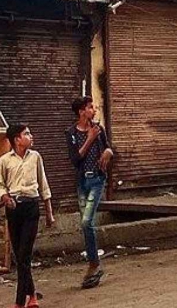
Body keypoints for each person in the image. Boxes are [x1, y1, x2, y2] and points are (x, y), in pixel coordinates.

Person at [0, 123, 54, 308]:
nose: (31, 136)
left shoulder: (35, 157)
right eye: (26, 134)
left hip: (31, 207)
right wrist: (5, 197)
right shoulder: (4, 161)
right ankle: (33, 296)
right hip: (14, 208)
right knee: (20, 257)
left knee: (24, 255)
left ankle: (20, 302)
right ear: (16, 140)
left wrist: (49, 213)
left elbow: (43, 185)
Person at [66, 97, 114, 289]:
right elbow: (75, 159)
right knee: (86, 225)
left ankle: (93, 263)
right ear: (81, 112)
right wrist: (89, 139)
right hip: (81, 182)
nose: (93, 110)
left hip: (96, 180)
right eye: (90, 108)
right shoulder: (70, 133)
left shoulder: (99, 129)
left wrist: (108, 152)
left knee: (87, 221)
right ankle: (94, 264)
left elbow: (109, 147)